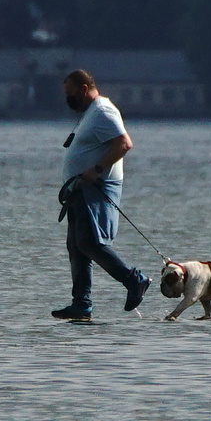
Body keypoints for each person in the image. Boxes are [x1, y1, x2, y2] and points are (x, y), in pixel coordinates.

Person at [52, 69, 151, 321]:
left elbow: (124, 143)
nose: (69, 100)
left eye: (71, 94)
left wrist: (96, 170)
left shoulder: (103, 111)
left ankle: (134, 280)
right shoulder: (90, 113)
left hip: (95, 188)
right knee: (76, 246)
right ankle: (81, 304)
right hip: (79, 189)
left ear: (84, 89)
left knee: (90, 243)